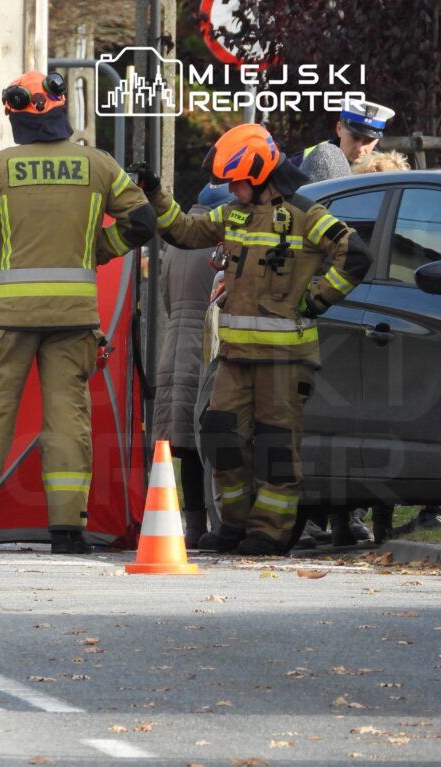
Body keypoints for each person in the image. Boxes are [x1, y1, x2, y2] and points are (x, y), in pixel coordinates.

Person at [0, 70, 156, 553]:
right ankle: (68, 532)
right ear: (61, 110)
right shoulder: (98, 164)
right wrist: (98, 250)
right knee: (68, 420)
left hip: (10, 319)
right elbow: (142, 221)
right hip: (75, 319)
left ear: (16, 116)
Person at [135, 123, 373, 556]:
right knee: (221, 438)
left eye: (237, 180)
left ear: (261, 174)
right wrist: (155, 193)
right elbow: (184, 231)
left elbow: (355, 254)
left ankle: (269, 532)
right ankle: (233, 525)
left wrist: (318, 298)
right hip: (235, 357)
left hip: (285, 359)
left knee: (276, 449)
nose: (231, 188)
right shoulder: (233, 214)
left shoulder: (306, 215)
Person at [152, 183, 234, 548]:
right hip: (204, 347)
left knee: (185, 445)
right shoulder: (217, 241)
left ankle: (193, 524)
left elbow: (166, 299)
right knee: (208, 440)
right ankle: (215, 522)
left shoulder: (176, 243)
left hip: (174, 347)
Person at [290, 97, 395, 166]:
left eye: (368, 141)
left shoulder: (384, 171)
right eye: (355, 138)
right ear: (339, 129)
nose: (360, 149)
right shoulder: (307, 160)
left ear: (376, 141)